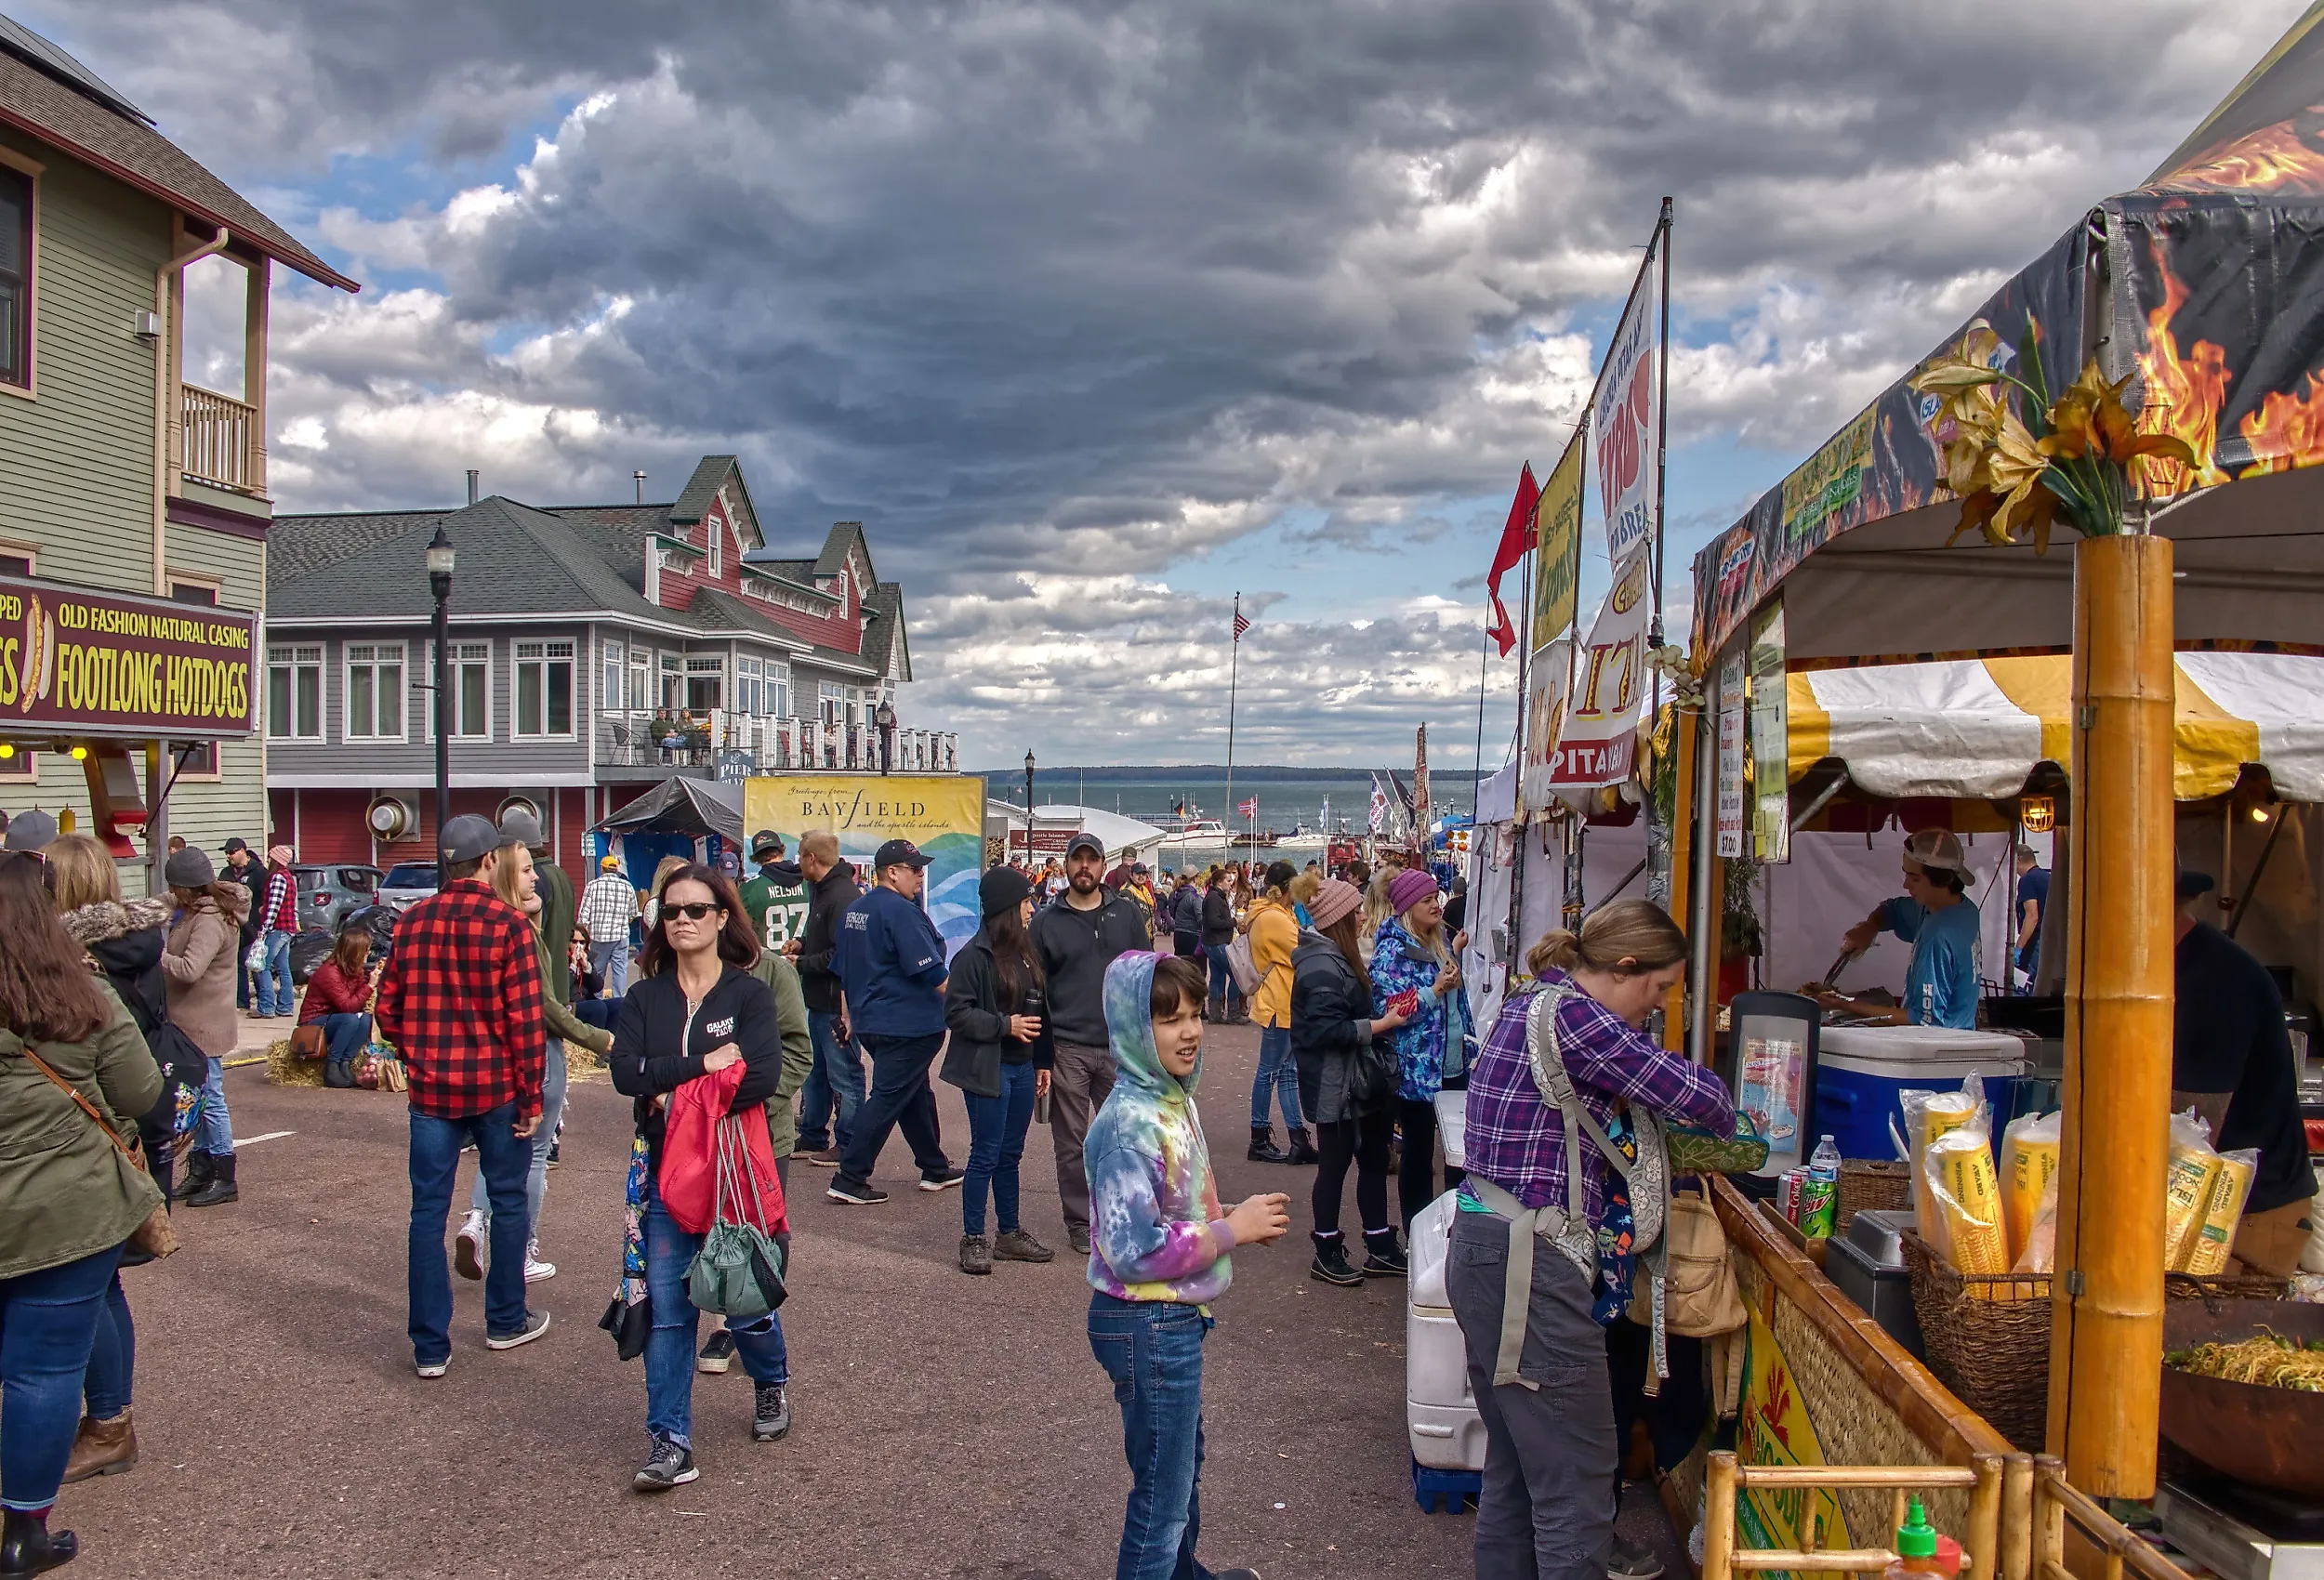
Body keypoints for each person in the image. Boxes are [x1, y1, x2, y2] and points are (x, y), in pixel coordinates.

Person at [1450, 902, 1735, 1580]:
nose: (1658, 1005)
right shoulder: (1579, 1017)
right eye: (1658, 988)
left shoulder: (1532, 999)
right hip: (1530, 1265)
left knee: (1517, 1476)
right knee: (1576, 1487)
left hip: (1486, 1246)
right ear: (1625, 968)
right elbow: (1704, 1099)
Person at [1085, 952, 1286, 1580]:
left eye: (1196, 1014)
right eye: (1170, 1020)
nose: (1192, 1030)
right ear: (1131, 1027)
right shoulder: (1129, 1123)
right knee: (1161, 1499)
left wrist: (1229, 1216)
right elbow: (1133, 1249)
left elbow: (1173, 1206)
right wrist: (1231, 1229)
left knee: (1178, 1473)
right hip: (1147, 1321)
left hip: (1169, 1318)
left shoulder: (1170, 1099)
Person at [0, 850, 165, 1574]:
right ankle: (22, 1532)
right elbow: (139, 1093)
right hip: (69, 1208)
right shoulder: (85, 995)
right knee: (40, 1374)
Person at [608, 864, 795, 1488]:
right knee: (669, 1311)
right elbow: (626, 1075)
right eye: (671, 911)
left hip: (732, 1176)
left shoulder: (749, 996)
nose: (682, 920)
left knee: (742, 1302)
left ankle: (770, 1382)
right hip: (664, 1174)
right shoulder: (644, 997)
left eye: (695, 910)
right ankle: (670, 1441)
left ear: (721, 918)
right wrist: (706, 1066)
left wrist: (678, 1089)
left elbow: (763, 1076)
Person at [374, 813, 552, 1377]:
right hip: (497, 1085)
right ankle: (504, 1320)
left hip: (431, 1089)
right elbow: (526, 1024)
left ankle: (430, 1346)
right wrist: (531, 1098)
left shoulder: (412, 922)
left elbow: (388, 1010)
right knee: (507, 1200)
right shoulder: (509, 926)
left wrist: (415, 1052)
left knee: (426, 1212)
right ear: (488, 861)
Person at [46, 836, 175, 1486]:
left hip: (94, 1142)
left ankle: (106, 1423)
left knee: (90, 1290)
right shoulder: (137, 951)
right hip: (124, 1141)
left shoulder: (83, 967)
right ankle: (105, 1418)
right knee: (103, 1286)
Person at [454, 838, 614, 1288]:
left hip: (490, 1053)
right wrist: (601, 1040)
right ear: (504, 872)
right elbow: (543, 1004)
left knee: (500, 1151)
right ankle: (520, 1248)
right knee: (536, 1155)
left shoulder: (490, 923)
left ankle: (476, 1219)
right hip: (536, 1049)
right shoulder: (515, 930)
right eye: (526, 870)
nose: (534, 876)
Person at [2172, 870, 2317, 1277]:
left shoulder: (2214, 982)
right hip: (2223, 1203)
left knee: (2215, 1339)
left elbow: (2191, 1134)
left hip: (2249, 1215)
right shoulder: (2180, 969)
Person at [1032, 832, 1153, 1254]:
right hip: (1067, 1046)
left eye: (1092, 860)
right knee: (1072, 1143)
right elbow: (1035, 989)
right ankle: (1080, 1222)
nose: (1084, 867)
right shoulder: (1046, 921)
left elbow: (1145, 976)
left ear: (1104, 865)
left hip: (1120, 1047)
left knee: (1128, 1138)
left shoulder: (1128, 914)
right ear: (1066, 865)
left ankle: (1129, 1214)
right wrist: (1039, 1055)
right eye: (1077, 859)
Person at [825, 839, 962, 1205]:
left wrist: (848, 1016)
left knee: (913, 1092)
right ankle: (850, 1175)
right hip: (907, 1023)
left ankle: (933, 1167)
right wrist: (972, 1008)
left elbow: (844, 971)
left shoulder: (856, 909)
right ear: (892, 872)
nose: (920, 875)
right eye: (914, 869)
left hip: (874, 1020)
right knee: (888, 1096)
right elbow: (932, 971)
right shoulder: (901, 912)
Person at [1291, 877, 1413, 1285]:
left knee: (1373, 1160)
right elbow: (1326, 1032)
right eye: (1356, 909)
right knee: (1336, 1165)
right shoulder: (1322, 966)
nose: (1363, 914)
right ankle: (1326, 1251)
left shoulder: (1333, 958)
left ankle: (1378, 1244)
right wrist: (1383, 1024)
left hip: (1357, 1081)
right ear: (1339, 918)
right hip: (1336, 1084)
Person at [942, 866, 1057, 1275]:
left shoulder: (1026, 951)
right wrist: (1003, 1025)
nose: (1032, 909)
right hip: (989, 1069)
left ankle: (1008, 1233)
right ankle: (974, 1237)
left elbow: (1040, 1008)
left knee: (1011, 1154)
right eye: (1026, 902)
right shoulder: (973, 957)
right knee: (985, 1154)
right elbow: (956, 1013)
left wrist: (1044, 1060)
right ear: (1006, 908)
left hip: (1023, 1068)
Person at [1370, 867, 1472, 1234]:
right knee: (1417, 1154)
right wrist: (1435, 990)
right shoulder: (1392, 950)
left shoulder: (1439, 940)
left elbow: (1458, 1006)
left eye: (1436, 898)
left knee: (1460, 1153)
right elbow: (1387, 1009)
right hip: (1417, 1069)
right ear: (1407, 906)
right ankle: (1419, 1233)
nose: (1436, 905)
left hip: (1453, 1063)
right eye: (1428, 900)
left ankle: (1457, 1231)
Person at [1818, 829, 1982, 1029]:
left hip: (1941, 1049)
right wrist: (1869, 927)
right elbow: (1892, 910)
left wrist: (1841, 1004)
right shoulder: (1962, 908)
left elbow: (1923, 1021)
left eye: (1914, 879)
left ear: (1945, 879)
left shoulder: (1938, 936)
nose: (1906, 885)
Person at [162, 847, 251, 1208]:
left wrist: (155, 954)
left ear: (187, 888)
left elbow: (188, 969)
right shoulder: (198, 908)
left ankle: (224, 1174)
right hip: (189, 1022)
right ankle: (201, 1170)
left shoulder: (210, 920)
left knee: (211, 1099)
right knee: (196, 1099)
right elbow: (165, 898)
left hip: (204, 1025)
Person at [792, 833, 866, 1167]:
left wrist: (803, 962)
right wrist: (802, 944)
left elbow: (843, 954)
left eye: (799, 855)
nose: (797, 861)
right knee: (815, 1072)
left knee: (845, 1076)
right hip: (819, 1001)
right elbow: (824, 941)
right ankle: (812, 1135)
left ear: (811, 859)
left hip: (838, 1004)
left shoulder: (842, 897)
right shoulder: (824, 892)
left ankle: (849, 1142)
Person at [1244, 860, 1314, 1165]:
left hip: (1283, 1002)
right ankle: (1258, 1137)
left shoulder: (1271, 914)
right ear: (1287, 888)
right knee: (1270, 1073)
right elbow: (1306, 946)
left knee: (1285, 1074)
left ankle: (1297, 1139)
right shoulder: (1273, 917)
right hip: (1279, 1002)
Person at [299, 915, 381, 1089]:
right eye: (366, 950)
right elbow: (347, 1006)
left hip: (336, 1018)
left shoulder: (354, 968)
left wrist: (368, 981)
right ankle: (332, 1065)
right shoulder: (329, 972)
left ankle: (345, 1063)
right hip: (314, 1022)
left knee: (366, 1019)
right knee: (350, 1019)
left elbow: (357, 1004)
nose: (369, 953)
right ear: (355, 951)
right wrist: (370, 986)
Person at [738, 830, 812, 955]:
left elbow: (739, 930)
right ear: (782, 850)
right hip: (804, 964)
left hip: (769, 967)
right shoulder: (808, 883)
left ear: (756, 858)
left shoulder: (750, 888)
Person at [579, 854, 638, 997]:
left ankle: (597, 999)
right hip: (621, 936)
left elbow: (584, 915)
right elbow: (633, 913)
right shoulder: (627, 886)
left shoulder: (592, 886)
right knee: (620, 970)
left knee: (598, 970)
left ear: (602, 869)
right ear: (617, 870)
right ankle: (618, 1001)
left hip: (599, 936)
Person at [251, 844, 299, 1018]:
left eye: (270, 857)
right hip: (287, 928)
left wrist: (264, 928)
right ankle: (285, 1007)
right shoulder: (289, 877)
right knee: (283, 968)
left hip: (278, 928)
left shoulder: (278, 878)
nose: (268, 860)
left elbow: (274, 906)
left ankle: (266, 1007)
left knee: (262, 966)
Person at [222, 836, 261, 1010]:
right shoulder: (226, 873)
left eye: (231, 852)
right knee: (238, 966)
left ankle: (264, 1002)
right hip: (233, 926)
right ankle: (241, 1001)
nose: (228, 856)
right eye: (226, 853)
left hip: (253, 927)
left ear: (242, 851)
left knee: (255, 966)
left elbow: (265, 898)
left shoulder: (259, 872)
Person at [1200, 868, 1238, 1020]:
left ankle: (1215, 1013)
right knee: (1236, 975)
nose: (1230, 884)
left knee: (1217, 976)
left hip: (1213, 942)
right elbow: (1214, 921)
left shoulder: (1214, 897)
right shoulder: (1214, 898)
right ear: (1219, 882)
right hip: (1217, 942)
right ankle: (1233, 1012)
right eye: (1228, 881)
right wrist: (1234, 922)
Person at [2014, 845, 2049, 990]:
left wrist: (2019, 948)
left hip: (2034, 941)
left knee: (2023, 985)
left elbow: (2032, 915)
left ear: (2019, 860)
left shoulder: (2027, 880)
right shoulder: (2048, 877)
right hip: (2048, 941)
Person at [1169, 868, 1203, 959]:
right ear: (1195, 878)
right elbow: (1200, 919)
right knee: (1193, 966)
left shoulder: (1175, 894)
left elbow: (1172, 912)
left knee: (1180, 964)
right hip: (1192, 934)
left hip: (1178, 932)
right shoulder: (1194, 897)